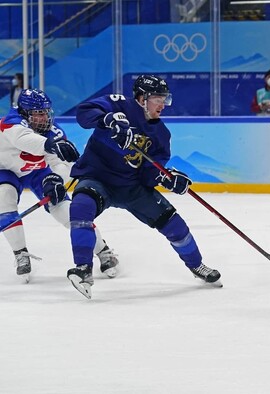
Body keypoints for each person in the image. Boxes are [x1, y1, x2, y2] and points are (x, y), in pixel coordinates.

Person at [66, 74, 221, 299]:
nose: (163, 104)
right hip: (98, 178)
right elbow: (83, 113)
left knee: (174, 224)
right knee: (80, 207)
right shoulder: (118, 104)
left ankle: (197, 265)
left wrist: (167, 178)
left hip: (132, 188)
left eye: (165, 99)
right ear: (141, 98)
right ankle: (82, 268)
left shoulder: (161, 135)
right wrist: (108, 119)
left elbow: (149, 175)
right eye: (158, 98)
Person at [0, 88, 120, 283]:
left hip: (37, 172)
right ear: (24, 113)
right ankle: (20, 253)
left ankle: (103, 250)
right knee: (4, 196)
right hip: (5, 169)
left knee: (65, 210)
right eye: (38, 114)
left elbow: (61, 163)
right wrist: (50, 145)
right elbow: (23, 140)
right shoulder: (10, 123)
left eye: (46, 112)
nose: (44, 118)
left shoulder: (53, 131)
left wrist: (57, 180)